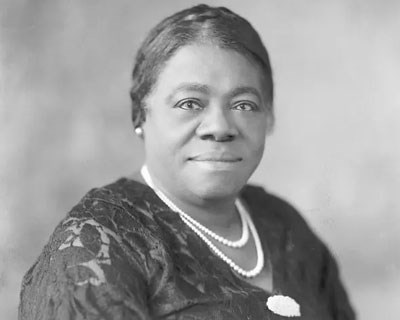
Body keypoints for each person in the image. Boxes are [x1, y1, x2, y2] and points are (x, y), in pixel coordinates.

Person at [19, 4, 356, 320]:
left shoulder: (284, 226)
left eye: (243, 105)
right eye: (190, 103)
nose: (220, 127)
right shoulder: (96, 244)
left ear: (268, 118)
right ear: (140, 116)